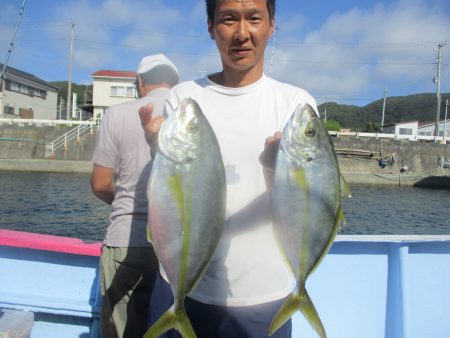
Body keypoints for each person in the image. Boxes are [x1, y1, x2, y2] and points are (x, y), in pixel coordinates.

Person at [141, 1, 319, 337]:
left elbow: (304, 205)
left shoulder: (295, 104)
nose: (241, 33)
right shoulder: (185, 98)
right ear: (210, 27)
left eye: (254, 18)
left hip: (265, 294)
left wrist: (274, 170)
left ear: (271, 25)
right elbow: (172, 190)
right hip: (183, 288)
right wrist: (156, 145)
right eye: (227, 19)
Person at [90, 54, 179, 338]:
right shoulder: (190, 115)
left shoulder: (116, 115)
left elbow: (101, 183)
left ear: (139, 82)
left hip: (125, 242)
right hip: (178, 247)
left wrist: (125, 204)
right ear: (175, 83)